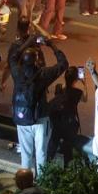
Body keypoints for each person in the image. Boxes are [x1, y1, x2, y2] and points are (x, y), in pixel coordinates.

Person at [9, 35, 68, 177]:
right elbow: (63, 64)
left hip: (21, 118)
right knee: (41, 152)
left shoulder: (17, 72)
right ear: (37, 60)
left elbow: (12, 57)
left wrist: (28, 41)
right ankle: (42, 183)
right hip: (40, 119)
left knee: (25, 153)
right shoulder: (43, 74)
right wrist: (51, 45)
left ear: (23, 59)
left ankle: (24, 182)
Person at [46, 66, 88, 165]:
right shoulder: (78, 92)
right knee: (68, 148)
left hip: (57, 122)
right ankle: (66, 170)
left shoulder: (59, 87)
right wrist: (85, 84)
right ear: (76, 78)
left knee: (53, 143)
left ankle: (46, 166)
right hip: (70, 124)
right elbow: (85, 99)